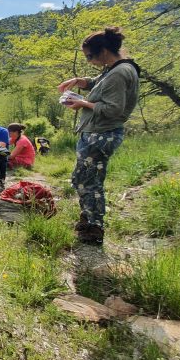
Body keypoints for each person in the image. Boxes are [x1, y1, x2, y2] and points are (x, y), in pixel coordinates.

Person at [57, 26, 140, 245]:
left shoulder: (120, 72)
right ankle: (87, 218)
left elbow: (114, 108)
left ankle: (94, 228)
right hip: (95, 132)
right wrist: (79, 81)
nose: (89, 60)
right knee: (80, 178)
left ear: (103, 51)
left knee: (90, 182)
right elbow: (99, 84)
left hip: (102, 134)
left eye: (90, 56)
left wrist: (82, 103)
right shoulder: (114, 69)